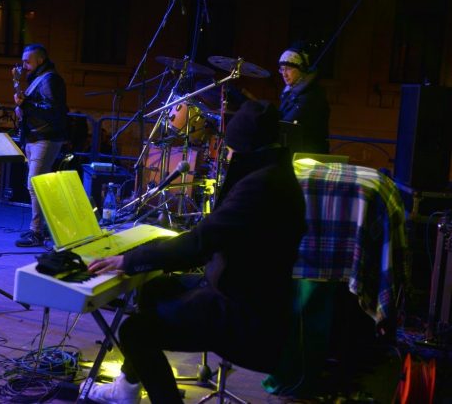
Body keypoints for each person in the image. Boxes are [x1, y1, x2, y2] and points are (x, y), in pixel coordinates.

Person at [81, 100, 308, 403]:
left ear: (245, 147)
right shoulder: (276, 172)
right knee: (154, 289)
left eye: (229, 149)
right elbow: (211, 240)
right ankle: (127, 388)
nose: (226, 156)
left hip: (244, 310)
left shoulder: (260, 186)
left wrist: (128, 260)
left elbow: (200, 244)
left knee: (135, 332)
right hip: (248, 290)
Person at [13, 44, 68, 247]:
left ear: (40, 60)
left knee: (34, 184)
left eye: (27, 61)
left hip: (45, 138)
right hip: (35, 138)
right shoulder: (39, 79)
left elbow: (53, 111)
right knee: (40, 185)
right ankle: (46, 228)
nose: (24, 65)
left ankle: (36, 232)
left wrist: (25, 104)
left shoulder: (50, 79)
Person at [277, 48, 330, 154]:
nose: (284, 74)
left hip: (309, 154)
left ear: (301, 69)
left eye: (288, 69)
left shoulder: (311, 95)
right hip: (296, 150)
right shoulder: (290, 92)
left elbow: (288, 124)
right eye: (282, 69)